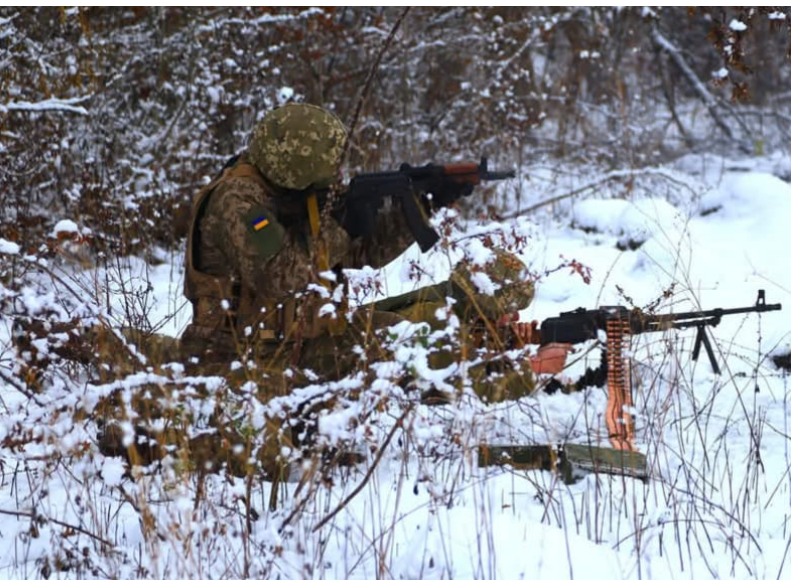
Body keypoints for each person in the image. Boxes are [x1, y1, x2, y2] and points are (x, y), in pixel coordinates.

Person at [180, 102, 569, 403]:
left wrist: (421, 206)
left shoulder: (289, 194)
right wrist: (341, 227)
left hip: (299, 340)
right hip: (236, 355)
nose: (332, 173)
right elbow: (279, 277)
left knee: (405, 334)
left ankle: (508, 365)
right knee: (398, 356)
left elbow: (356, 257)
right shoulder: (239, 199)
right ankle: (520, 379)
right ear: (295, 162)